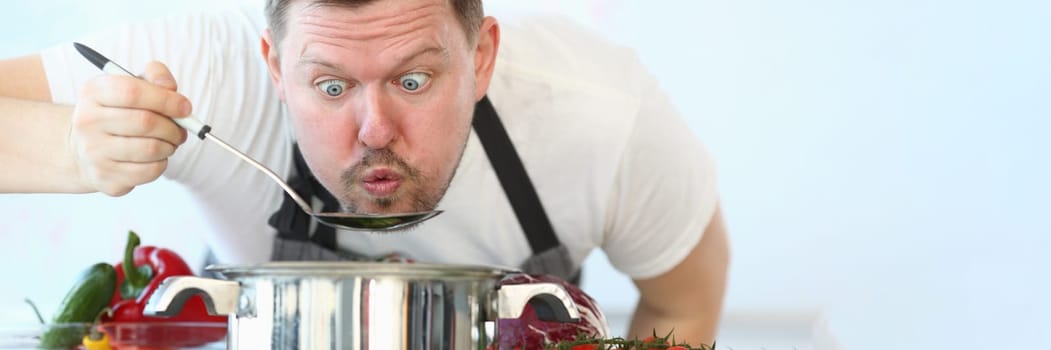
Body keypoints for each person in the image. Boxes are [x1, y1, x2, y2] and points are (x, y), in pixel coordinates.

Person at [0, 0, 729, 344]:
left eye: (412, 81)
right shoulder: (200, 74)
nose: (374, 133)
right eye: (330, 87)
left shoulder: (602, 116)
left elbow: (681, 300)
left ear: (480, 57)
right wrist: (67, 148)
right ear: (274, 66)